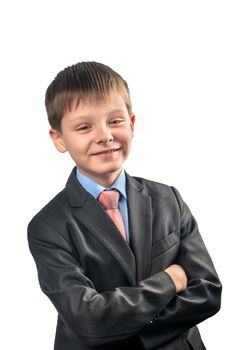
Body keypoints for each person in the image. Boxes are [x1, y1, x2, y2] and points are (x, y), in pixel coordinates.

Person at [28, 61, 222, 350]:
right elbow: (89, 320)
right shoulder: (48, 226)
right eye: (84, 127)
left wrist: (124, 325)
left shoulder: (169, 199)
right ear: (59, 139)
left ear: (131, 124)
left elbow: (207, 291)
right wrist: (169, 281)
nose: (105, 135)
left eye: (115, 121)